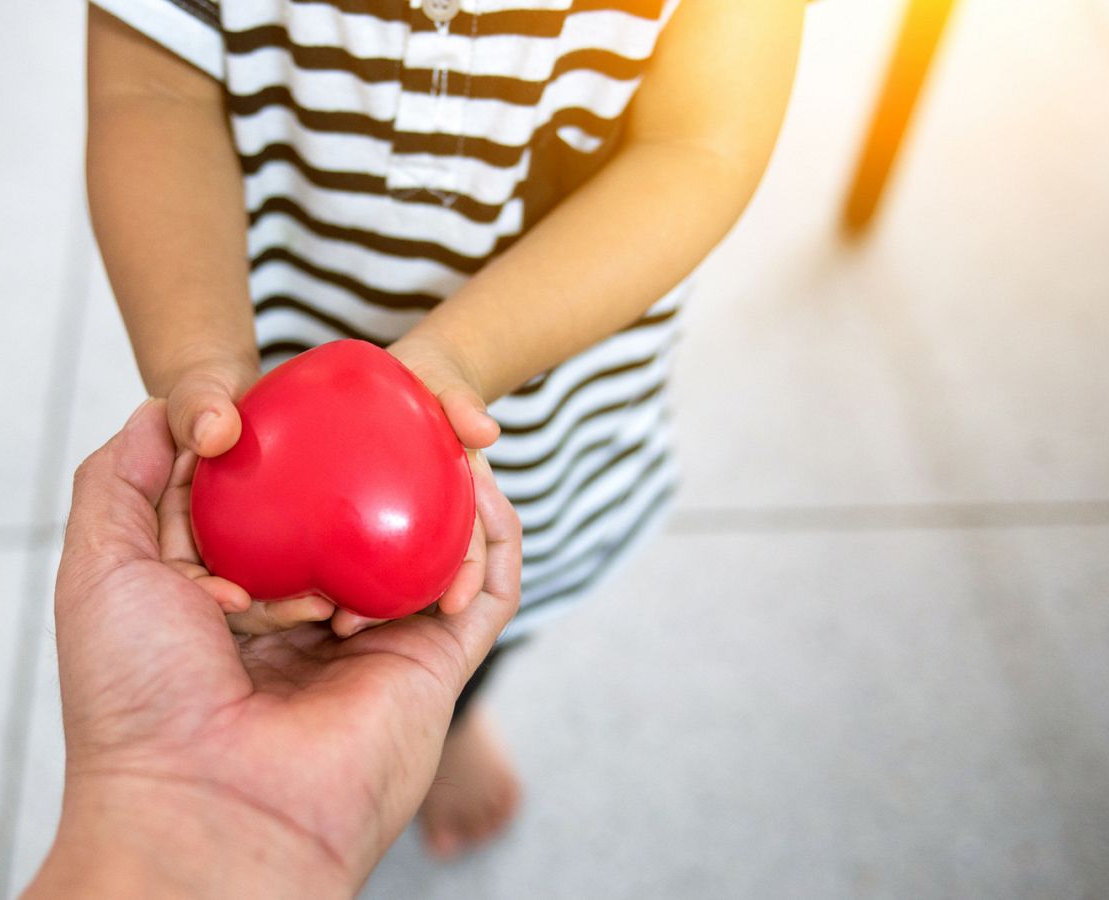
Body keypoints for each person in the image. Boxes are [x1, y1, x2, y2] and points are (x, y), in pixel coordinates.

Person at [85, 0, 805, 856]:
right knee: (272, 598)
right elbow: (150, 92)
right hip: (267, 383)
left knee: (489, 599)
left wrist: (459, 363)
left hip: (528, 399)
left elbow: (700, 150)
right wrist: (198, 357)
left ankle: (452, 714)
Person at [24, 400, 524, 897]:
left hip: (487, 466)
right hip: (262, 423)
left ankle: (455, 719)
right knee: (457, 611)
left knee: (471, 610)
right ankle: (452, 720)